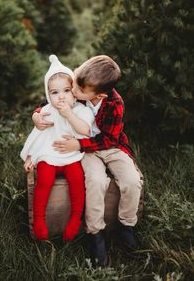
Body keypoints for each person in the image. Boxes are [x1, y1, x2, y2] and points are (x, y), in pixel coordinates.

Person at [33, 55, 143, 267]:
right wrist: (36, 115)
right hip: (87, 150)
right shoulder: (80, 85)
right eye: (74, 83)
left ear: (100, 94)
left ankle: (126, 225)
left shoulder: (114, 103)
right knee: (95, 181)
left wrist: (78, 145)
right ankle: (95, 233)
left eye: (80, 91)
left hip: (111, 146)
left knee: (131, 180)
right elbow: (49, 101)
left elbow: (109, 139)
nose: (73, 92)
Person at [20, 55, 96, 241]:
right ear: (48, 96)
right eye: (54, 93)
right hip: (49, 155)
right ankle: (38, 220)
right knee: (44, 181)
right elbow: (37, 136)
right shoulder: (46, 111)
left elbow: (85, 130)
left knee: (77, 181)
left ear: (74, 91)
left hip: (71, 156)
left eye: (66, 90)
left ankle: (75, 219)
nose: (60, 96)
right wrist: (30, 157)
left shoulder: (81, 110)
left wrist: (68, 114)